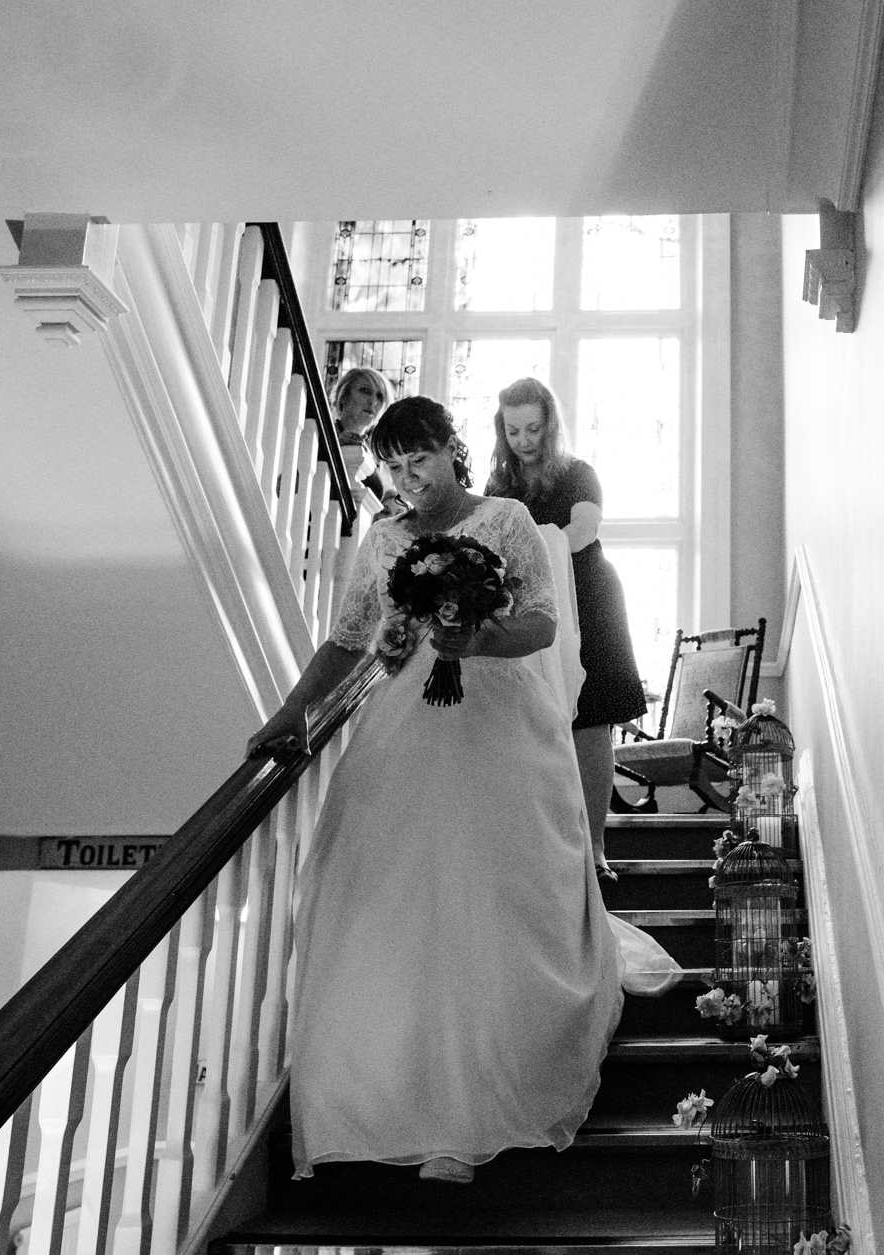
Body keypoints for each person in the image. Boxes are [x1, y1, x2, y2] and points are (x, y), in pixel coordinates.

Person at [248, 396, 674, 1184]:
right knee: (398, 896)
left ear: (452, 450)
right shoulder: (382, 540)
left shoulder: (507, 519)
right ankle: (397, 1093)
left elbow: (542, 623)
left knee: (489, 891)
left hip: (500, 719)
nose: (411, 481)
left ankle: (484, 1094)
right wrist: (287, 714)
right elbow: (347, 643)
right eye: (396, 468)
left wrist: (476, 635)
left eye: (423, 461)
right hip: (406, 726)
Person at [484, 378, 649, 878]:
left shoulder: (578, 474)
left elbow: (583, 531)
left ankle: (595, 847)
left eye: (533, 428)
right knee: (528, 716)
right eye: (513, 430)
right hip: (530, 604)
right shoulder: (500, 487)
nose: (524, 440)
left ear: (550, 425)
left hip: (589, 595)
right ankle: (540, 844)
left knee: (591, 719)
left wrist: (534, 550)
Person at [329, 365, 393, 511]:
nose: (373, 401)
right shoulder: (323, 435)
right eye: (365, 391)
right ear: (344, 396)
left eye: (379, 396)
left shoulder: (378, 456)